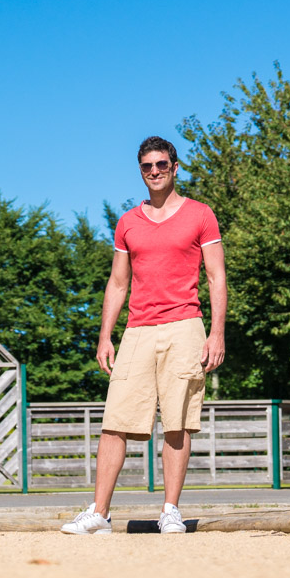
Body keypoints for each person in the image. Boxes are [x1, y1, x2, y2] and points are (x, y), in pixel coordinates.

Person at [62, 136, 227, 535]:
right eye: (147, 167)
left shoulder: (201, 215)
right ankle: (99, 513)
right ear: (141, 171)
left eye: (161, 164)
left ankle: (170, 510)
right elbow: (118, 284)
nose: (154, 172)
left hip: (185, 326)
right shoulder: (127, 222)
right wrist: (105, 336)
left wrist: (217, 333)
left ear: (175, 167)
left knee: (177, 422)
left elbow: (216, 276)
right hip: (137, 330)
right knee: (115, 420)